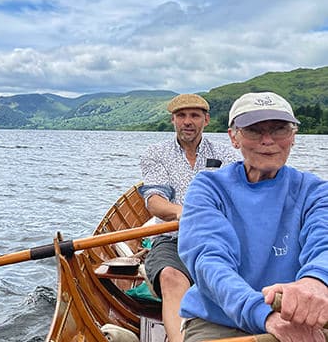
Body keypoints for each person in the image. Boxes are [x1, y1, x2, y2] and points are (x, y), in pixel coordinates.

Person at [178, 91, 328, 342]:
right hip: (220, 320)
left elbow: (323, 245)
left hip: (298, 317)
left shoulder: (315, 191)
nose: (267, 140)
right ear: (234, 138)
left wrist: (316, 282)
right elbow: (210, 261)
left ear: (293, 137)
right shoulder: (208, 187)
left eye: (279, 129)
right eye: (254, 130)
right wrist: (263, 313)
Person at [139, 94, 241, 342]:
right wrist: (181, 212)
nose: (188, 121)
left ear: (206, 120)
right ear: (173, 120)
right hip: (172, 238)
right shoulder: (155, 153)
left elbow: (237, 196)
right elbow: (154, 200)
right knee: (170, 277)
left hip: (217, 239)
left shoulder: (227, 154)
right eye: (181, 116)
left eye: (194, 115)